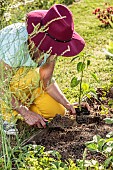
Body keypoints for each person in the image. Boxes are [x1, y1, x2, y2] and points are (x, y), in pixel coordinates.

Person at [0, 4, 90, 132]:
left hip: (25, 85)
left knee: (57, 112)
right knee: (30, 77)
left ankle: (20, 107)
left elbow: (46, 80)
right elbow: (1, 84)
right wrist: (25, 112)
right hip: (4, 84)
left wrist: (67, 104)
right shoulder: (15, 43)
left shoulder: (52, 45)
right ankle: (6, 116)